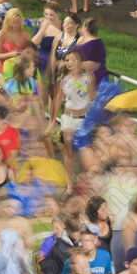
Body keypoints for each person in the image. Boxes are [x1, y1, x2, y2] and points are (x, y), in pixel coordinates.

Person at [49, 50, 94, 188]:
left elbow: (92, 98)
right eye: (67, 60)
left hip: (83, 119)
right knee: (68, 151)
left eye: (73, 59)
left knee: (83, 151)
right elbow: (58, 100)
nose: (70, 62)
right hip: (68, 118)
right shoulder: (63, 80)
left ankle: (82, 179)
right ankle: (69, 182)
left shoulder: (88, 78)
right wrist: (52, 120)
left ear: (79, 62)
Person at [0, 8, 30, 78]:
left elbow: (31, 50)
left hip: (19, 71)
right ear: (8, 21)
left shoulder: (25, 34)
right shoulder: (2, 34)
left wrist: (25, 53)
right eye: (13, 22)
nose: (16, 25)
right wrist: (11, 54)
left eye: (18, 22)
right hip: (3, 71)